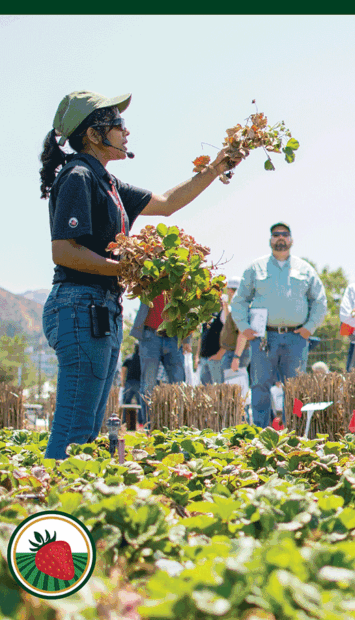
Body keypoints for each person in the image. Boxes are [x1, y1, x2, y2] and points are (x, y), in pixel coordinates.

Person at [39, 90, 238, 459]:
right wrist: (129, 269)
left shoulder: (108, 183)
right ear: (93, 134)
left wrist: (217, 167)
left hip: (100, 309)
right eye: (117, 123)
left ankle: (69, 501)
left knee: (85, 429)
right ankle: (51, 505)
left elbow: (166, 204)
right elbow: (64, 250)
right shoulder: (78, 176)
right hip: (80, 306)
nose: (125, 131)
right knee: (74, 428)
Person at [231, 221, 328, 428]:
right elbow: (239, 300)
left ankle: (294, 431)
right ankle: (259, 431)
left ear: (291, 240)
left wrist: (309, 328)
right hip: (264, 337)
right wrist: (243, 326)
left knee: (295, 387)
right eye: (276, 235)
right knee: (260, 385)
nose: (280, 238)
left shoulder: (305, 269)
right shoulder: (255, 268)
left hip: (296, 338)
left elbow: (319, 300)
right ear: (270, 240)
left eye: (284, 234)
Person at [120, 343, 142, 418]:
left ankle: (124, 420)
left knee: (127, 402)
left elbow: (123, 370)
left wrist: (123, 382)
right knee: (139, 403)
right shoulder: (142, 358)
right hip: (137, 383)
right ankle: (141, 421)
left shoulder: (129, 357)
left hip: (130, 383)